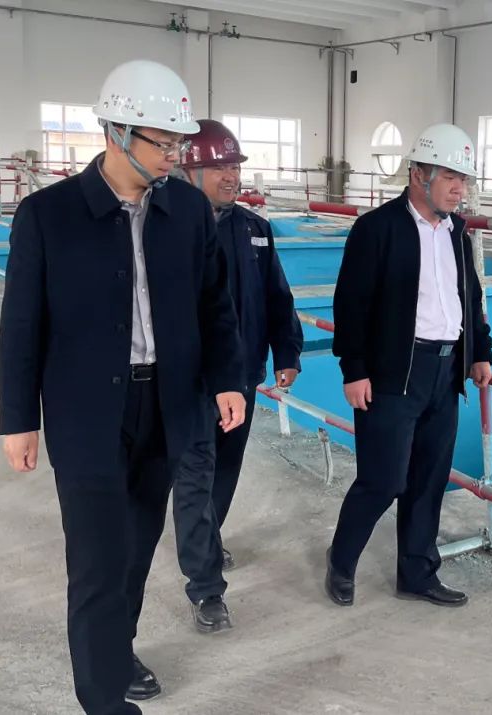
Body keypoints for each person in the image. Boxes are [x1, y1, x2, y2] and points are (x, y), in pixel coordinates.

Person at [0, 60, 249, 715]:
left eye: (178, 144)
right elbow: (21, 326)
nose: (173, 157)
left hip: (165, 408)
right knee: (97, 562)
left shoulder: (188, 211)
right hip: (87, 417)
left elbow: (214, 304)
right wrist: (18, 419)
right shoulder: (48, 216)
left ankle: (115, 652)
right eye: (162, 143)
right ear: (114, 132)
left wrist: (226, 378)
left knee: (135, 551)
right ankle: (104, 699)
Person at [324, 123, 492, 608]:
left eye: (464, 179)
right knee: (383, 480)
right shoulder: (377, 229)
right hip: (393, 372)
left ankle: (417, 574)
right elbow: (350, 304)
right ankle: (341, 561)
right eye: (451, 177)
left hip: (445, 371)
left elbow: (470, 298)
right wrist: (354, 369)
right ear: (419, 174)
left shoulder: (458, 233)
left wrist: (479, 351)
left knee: (428, 480)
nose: (460, 189)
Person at [171, 119, 303, 633]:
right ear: (188, 169)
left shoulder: (254, 230)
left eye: (234, 165)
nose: (231, 175)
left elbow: (277, 296)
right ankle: (205, 587)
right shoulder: (166, 229)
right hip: (190, 381)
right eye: (219, 166)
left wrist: (287, 350)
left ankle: (207, 539)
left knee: (226, 467)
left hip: (242, 376)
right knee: (195, 474)